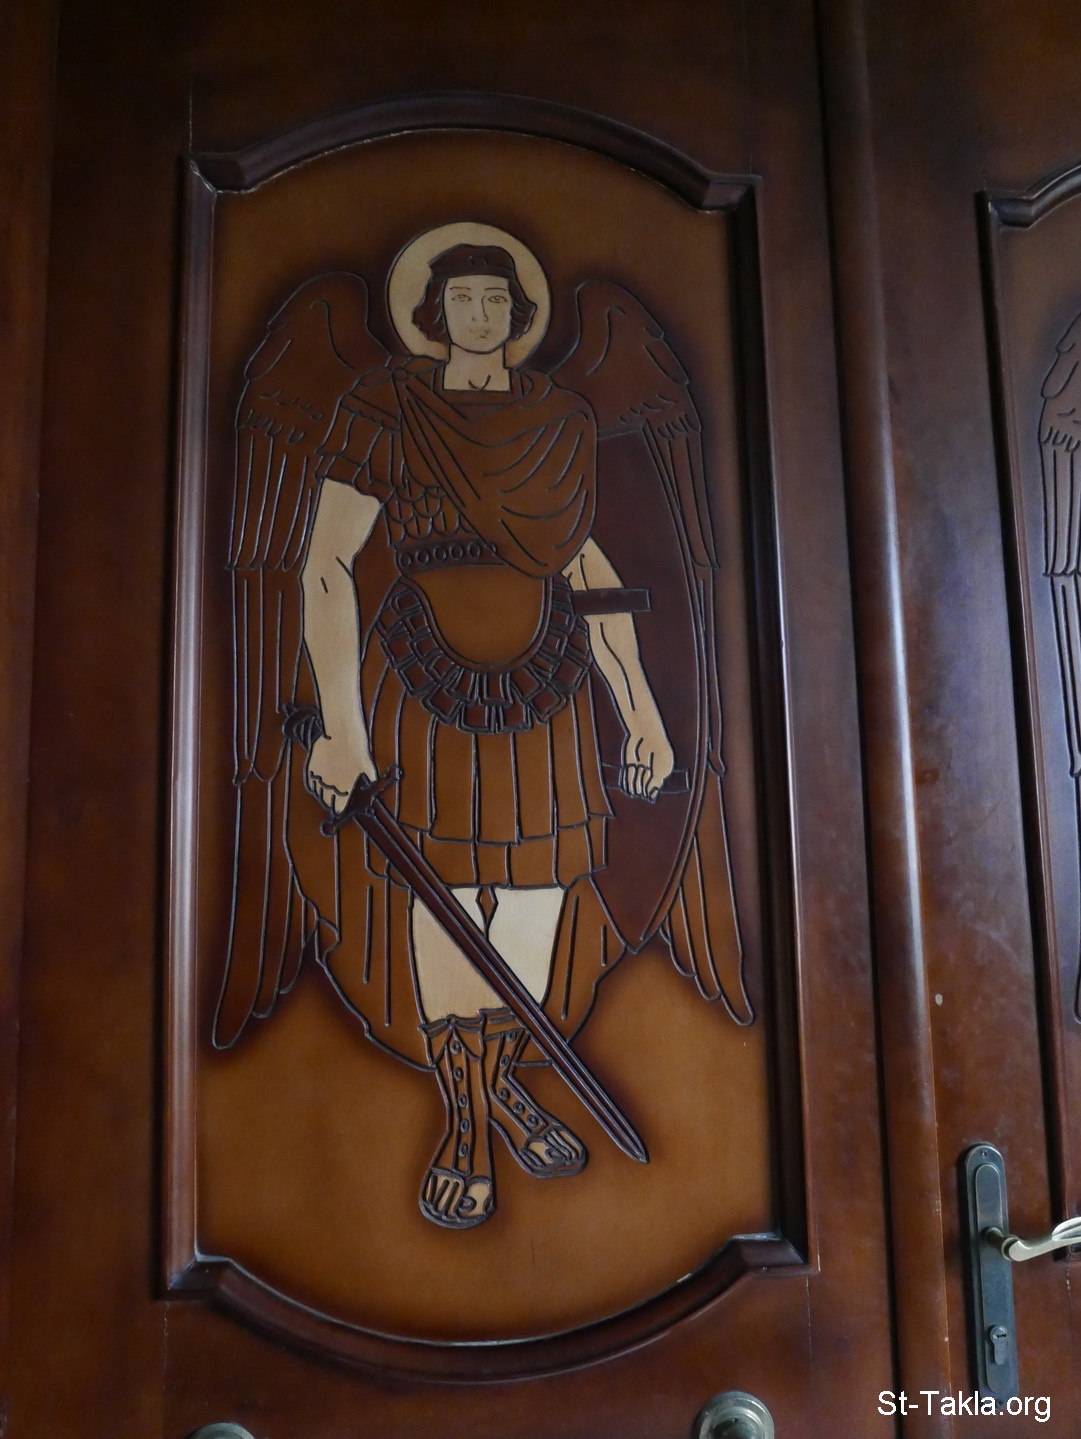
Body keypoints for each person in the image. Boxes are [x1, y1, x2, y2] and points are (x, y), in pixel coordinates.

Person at [297, 241, 674, 1228]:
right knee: (450, 894)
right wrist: (340, 729)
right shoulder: (384, 408)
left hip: (545, 682)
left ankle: (496, 1086)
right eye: (458, 296)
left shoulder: (560, 422)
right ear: (431, 311)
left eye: (493, 298)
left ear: (517, 314)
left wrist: (639, 707)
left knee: (537, 896)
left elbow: (584, 567)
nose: (476, 312)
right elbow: (327, 563)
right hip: (425, 674)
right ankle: (468, 1123)